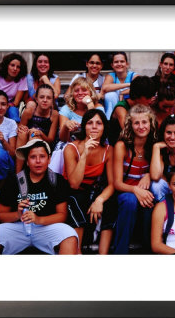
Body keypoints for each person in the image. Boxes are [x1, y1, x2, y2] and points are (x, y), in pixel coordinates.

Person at [0, 139, 78, 255]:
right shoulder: (14, 181)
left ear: (49, 159)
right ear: (27, 161)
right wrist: (18, 214)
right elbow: (0, 215)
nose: (38, 161)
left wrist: (38, 219)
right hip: (19, 227)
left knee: (69, 235)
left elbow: (62, 215)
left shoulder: (57, 180)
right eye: (33, 157)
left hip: (46, 227)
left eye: (42, 156)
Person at [63, 109, 115, 254]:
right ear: (84, 126)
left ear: (104, 127)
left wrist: (99, 200)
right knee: (77, 199)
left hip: (93, 189)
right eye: (90, 123)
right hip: (73, 190)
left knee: (110, 201)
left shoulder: (108, 150)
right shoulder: (71, 148)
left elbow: (112, 184)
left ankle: (102, 254)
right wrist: (84, 154)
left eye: (99, 123)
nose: (94, 126)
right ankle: (76, 251)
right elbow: (74, 183)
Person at [113, 104, 157, 254]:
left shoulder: (154, 145)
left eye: (144, 122)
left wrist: (149, 175)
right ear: (130, 125)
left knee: (151, 201)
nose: (141, 126)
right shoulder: (122, 146)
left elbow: (163, 171)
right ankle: (120, 252)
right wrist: (135, 190)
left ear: (150, 124)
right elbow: (117, 183)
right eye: (136, 123)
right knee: (130, 200)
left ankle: (149, 251)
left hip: (145, 196)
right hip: (126, 195)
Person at [15, 84, 59, 172]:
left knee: (34, 135)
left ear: (52, 100)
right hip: (27, 140)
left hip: (45, 142)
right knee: (24, 133)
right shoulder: (29, 112)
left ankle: (32, 170)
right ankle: (18, 172)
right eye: (42, 97)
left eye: (49, 98)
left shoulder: (54, 114)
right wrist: (23, 130)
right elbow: (19, 129)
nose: (45, 100)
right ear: (36, 99)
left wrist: (40, 133)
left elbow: (50, 139)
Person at [108, 75, 156, 146]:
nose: (150, 100)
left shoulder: (146, 105)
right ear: (137, 96)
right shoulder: (121, 108)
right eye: (148, 97)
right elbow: (128, 131)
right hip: (120, 146)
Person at [59, 77, 105, 143]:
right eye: (76, 90)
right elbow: (63, 139)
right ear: (72, 94)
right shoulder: (66, 109)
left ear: (91, 92)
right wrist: (66, 126)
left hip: (94, 142)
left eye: (84, 90)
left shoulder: (98, 107)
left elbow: (100, 133)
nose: (80, 93)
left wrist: (90, 104)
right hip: (72, 144)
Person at [100, 52, 138, 119]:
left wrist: (122, 93)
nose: (119, 64)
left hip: (131, 110)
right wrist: (129, 84)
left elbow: (139, 87)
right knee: (110, 95)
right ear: (112, 65)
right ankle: (109, 121)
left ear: (127, 64)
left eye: (122, 61)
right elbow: (105, 88)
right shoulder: (111, 76)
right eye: (116, 62)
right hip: (113, 111)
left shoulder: (133, 75)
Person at [0, 52, 28, 122]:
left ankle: (15, 129)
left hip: (10, 105)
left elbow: (16, 102)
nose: (15, 69)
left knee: (13, 110)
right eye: (12, 65)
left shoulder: (22, 79)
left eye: (18, 67)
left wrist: (5, 106)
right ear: (6, 66)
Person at [0, 90, 17, 190]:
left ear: (7, 107)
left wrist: (3, 141)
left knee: (0, 153)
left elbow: (13, 153)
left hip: (5, 163)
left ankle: (0, 190)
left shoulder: (11, 123)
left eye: (3, 104)